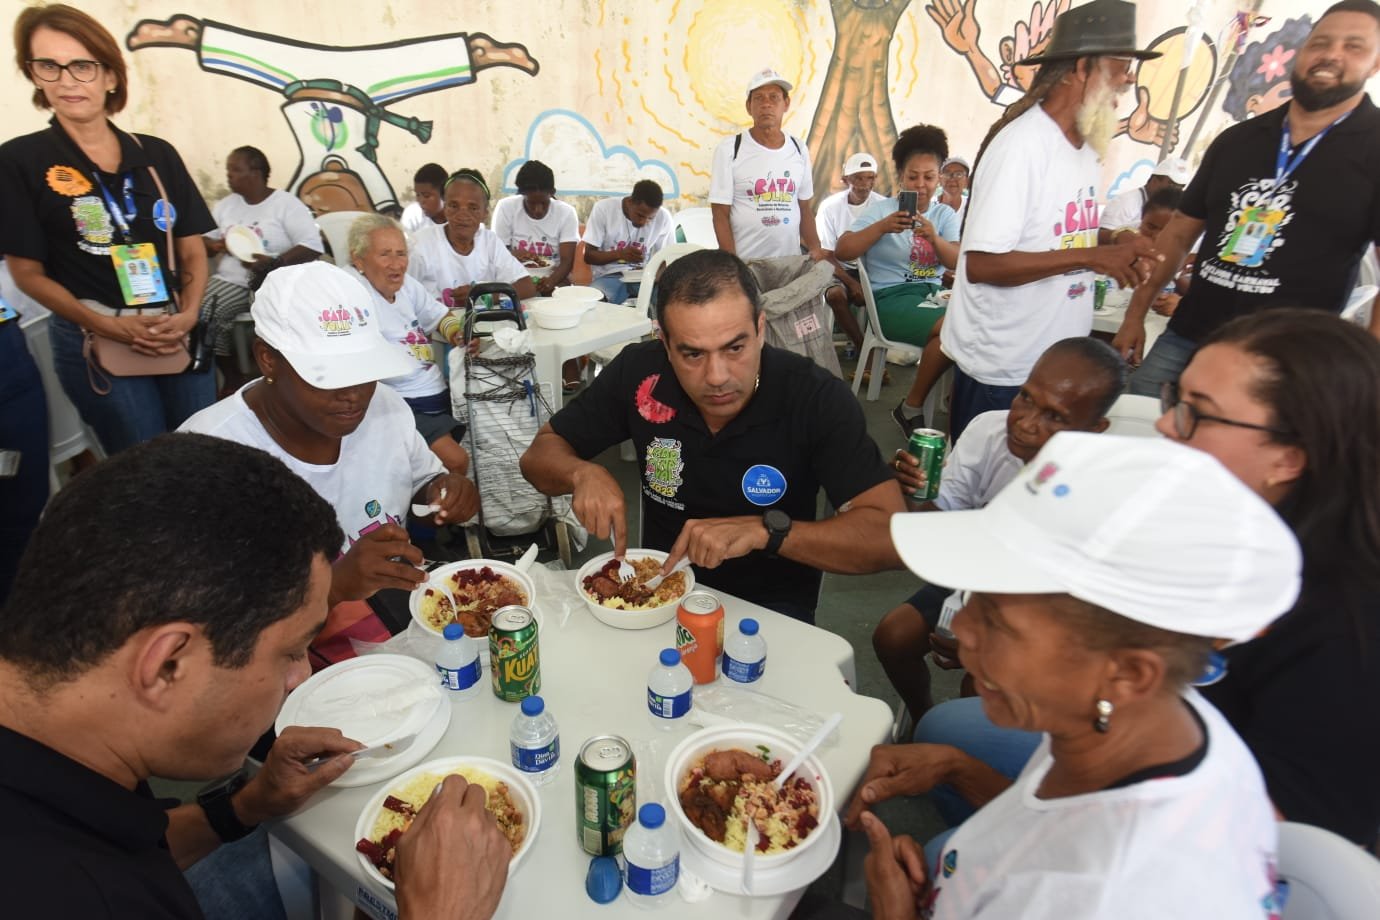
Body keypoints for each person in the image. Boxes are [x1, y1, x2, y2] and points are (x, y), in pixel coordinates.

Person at [857, 309, 1380, 856]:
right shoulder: (1198, 517)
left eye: (1198, 413)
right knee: (948, 730)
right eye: (1176, 398)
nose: (1165, 425)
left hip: (1193, 833)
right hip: (1132, 738)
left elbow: (1263, 850)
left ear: (1289, 457)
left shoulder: (1346, 635)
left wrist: (978, 785)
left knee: (944, 856)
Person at [0, 432, 511, 918]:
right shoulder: (65, 896)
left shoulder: (62, 756)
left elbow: (139, 846)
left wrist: (248, 804)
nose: (299, 677)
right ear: (167, 664)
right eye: (290, 653)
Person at [856, 432, 1300, 920]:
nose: (962, 627)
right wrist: (958, 769)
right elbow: (1051, 825)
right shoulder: (1135, 719)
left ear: (1129, 673)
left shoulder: (1108, 895)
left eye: (998, 621)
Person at [520, 249, 904, 622]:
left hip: (773, 609)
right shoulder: (640, 374)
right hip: (659, 594)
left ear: (760, 329)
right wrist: (581, 473)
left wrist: (766, 533)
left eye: (735, 347)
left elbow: (888, 538)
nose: (717, 376)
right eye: (693, 354)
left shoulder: (814, 396)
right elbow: (538, 456)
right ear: (665, 344)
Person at [180, 263, 479, 663]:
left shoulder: (386, 408)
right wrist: (333, 587)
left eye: (365, 370)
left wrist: (443, 491)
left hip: (392, 619)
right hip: (279, 664)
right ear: (267, 359)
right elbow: (207, 637)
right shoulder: (207, 461)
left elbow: (422, 483)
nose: (353, 394)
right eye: (327, 376)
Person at [1115, 0, 1380, 395]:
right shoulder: (1237, 140)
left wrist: (1369, 371)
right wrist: (1134, 315)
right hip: (1190, 336)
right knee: (1138, 422)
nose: (1331, 55)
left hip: (1288, 361)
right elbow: (1178, 235)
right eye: (1321, 43)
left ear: (1375, 64)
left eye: (1353, 46)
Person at [938, 0, 1161, 442]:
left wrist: (1115, 239)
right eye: (1121, 66)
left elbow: (1061, 233)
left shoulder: (1085, 146)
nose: (1128, 80)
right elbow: (982, 264)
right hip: (1007, 369)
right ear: (1081, 68)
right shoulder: (1022, 147)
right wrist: (1094, 257)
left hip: (1051, 365)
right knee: (986, 480)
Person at [0, 3, 216, 454]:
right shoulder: (20, 161)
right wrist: (103, 324)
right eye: (49, 66)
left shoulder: (156, 154)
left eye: (82, 66)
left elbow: (191, 247)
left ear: (111, 76)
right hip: (94, 336)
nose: (67, 81)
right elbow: (27, 273)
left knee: (203, 454)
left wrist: (189, 313)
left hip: (173, 329)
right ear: (34, 74)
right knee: (143, 465)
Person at [874, 337, 1126, 721]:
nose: (1025, 422)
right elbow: (938, 524)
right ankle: (922, 716)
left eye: (1054, 416)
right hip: (982, 576)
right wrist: (911, 492)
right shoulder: (989, 430)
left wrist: (989, 643)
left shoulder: (1102, 491)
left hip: (1053, 611)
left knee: (977, 687)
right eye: (1025, 397)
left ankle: (967, 738)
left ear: (1094, 428)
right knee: (894, 637)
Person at [835, 126, 960, 435]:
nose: (921, 185)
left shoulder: (944, 216)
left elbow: (957, 261)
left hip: (934, 297)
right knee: (957, 327)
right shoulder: (882, 211)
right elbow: (843, 250)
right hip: (889, 302)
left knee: (974, 323)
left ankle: (941, 403)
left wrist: (934, 238)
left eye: (929, 177)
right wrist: (881, 227)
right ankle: (916, 406)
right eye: (913, 176)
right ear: (901, 177)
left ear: (939, 178)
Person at [346, 212, 470, 474]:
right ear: (358, 259)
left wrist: (458, 334)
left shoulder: (407, 287)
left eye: (401, 254)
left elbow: (440, 317)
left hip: (438, 396)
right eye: (385, 254)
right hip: (399, 405)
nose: (396, 264)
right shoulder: (353, 294)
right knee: (456, 460)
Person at [201, 145, 323, 393]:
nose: (229, 175)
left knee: (275, 319)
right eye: (228, 170)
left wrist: (273, 263)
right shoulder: (226, 205)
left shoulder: (285, 204)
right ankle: (230, 374)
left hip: (274, 281)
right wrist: (215, 245)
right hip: (232, 280)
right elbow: (204, 240)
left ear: (255, 173)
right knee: (202, 312)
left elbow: (312, 246)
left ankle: (279, 377)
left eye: (235, 170)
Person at [709, 68, 825, 263]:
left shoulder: (799, 149)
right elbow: (720, 213)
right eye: (759, 98)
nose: (766, 104)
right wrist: (733, 264)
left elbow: (804, 208)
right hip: (747, 264)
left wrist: (815, 248)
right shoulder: (730, 149)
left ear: (786, 104)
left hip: (790, 263)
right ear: (749, 107)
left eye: (774, 97)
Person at [407, 169, 538, 307]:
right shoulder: (420, 246)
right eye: (454, 206)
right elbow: (401, 295)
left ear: (484, 213)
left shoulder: (490, 242)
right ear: (445, 208)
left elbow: (527, 286)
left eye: (473, 208)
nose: (462, 215)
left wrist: (483, 296)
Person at [815, 152, 884, 353]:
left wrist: (865, 282)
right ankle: (863, 348)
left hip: (872, 269)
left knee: (884, 294)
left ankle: (880, 345)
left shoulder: (882, 206)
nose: (865, 184)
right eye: (858, 178)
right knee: (835, 295)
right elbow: (826, 254)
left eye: (870, 178)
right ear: (845, 180)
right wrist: (853, 283)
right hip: (839, 268)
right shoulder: (829, 207)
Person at [491, 159, 580, 298]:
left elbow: (567, 261)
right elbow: (498, 254)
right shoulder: (506, 208)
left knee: (562, 295)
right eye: (531, 203)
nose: (538, 210)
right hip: (516, 276)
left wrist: (550, 282)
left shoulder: (566, 213)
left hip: (554, 277)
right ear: (521, 194)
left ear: (552, 192)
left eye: (544, 203)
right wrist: (514, 254)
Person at [582, 179, 675, 305]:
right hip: (609, 276)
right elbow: (589, 256)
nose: (644, 222)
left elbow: (667, 257)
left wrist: (654, 279)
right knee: (593, 302)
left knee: (667, 300)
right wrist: (619, 254)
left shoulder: (664, 217)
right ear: (630, 202)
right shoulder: (604, 209)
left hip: (644, 277)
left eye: (650, 218)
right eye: (640, 215)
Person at [1096, 156, 1190, 244]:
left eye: (1181, 187)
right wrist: (1122, 237)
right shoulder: (1125, 201)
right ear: (1154, 181)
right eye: (1172, 184)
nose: (1176, 190)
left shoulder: (1176, 211)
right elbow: (1100, 237)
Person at [400, 162, 447, 235]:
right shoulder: (412, 214)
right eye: (418, 195)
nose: (420, 201)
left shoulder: (458, 219)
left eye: (426, 196)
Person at [937, 156, 969, 226]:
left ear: (967, 181)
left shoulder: (971, 207)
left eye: (958, 174)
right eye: (947, 174)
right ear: (939, 180)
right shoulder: (928, 206)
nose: (952, 179)